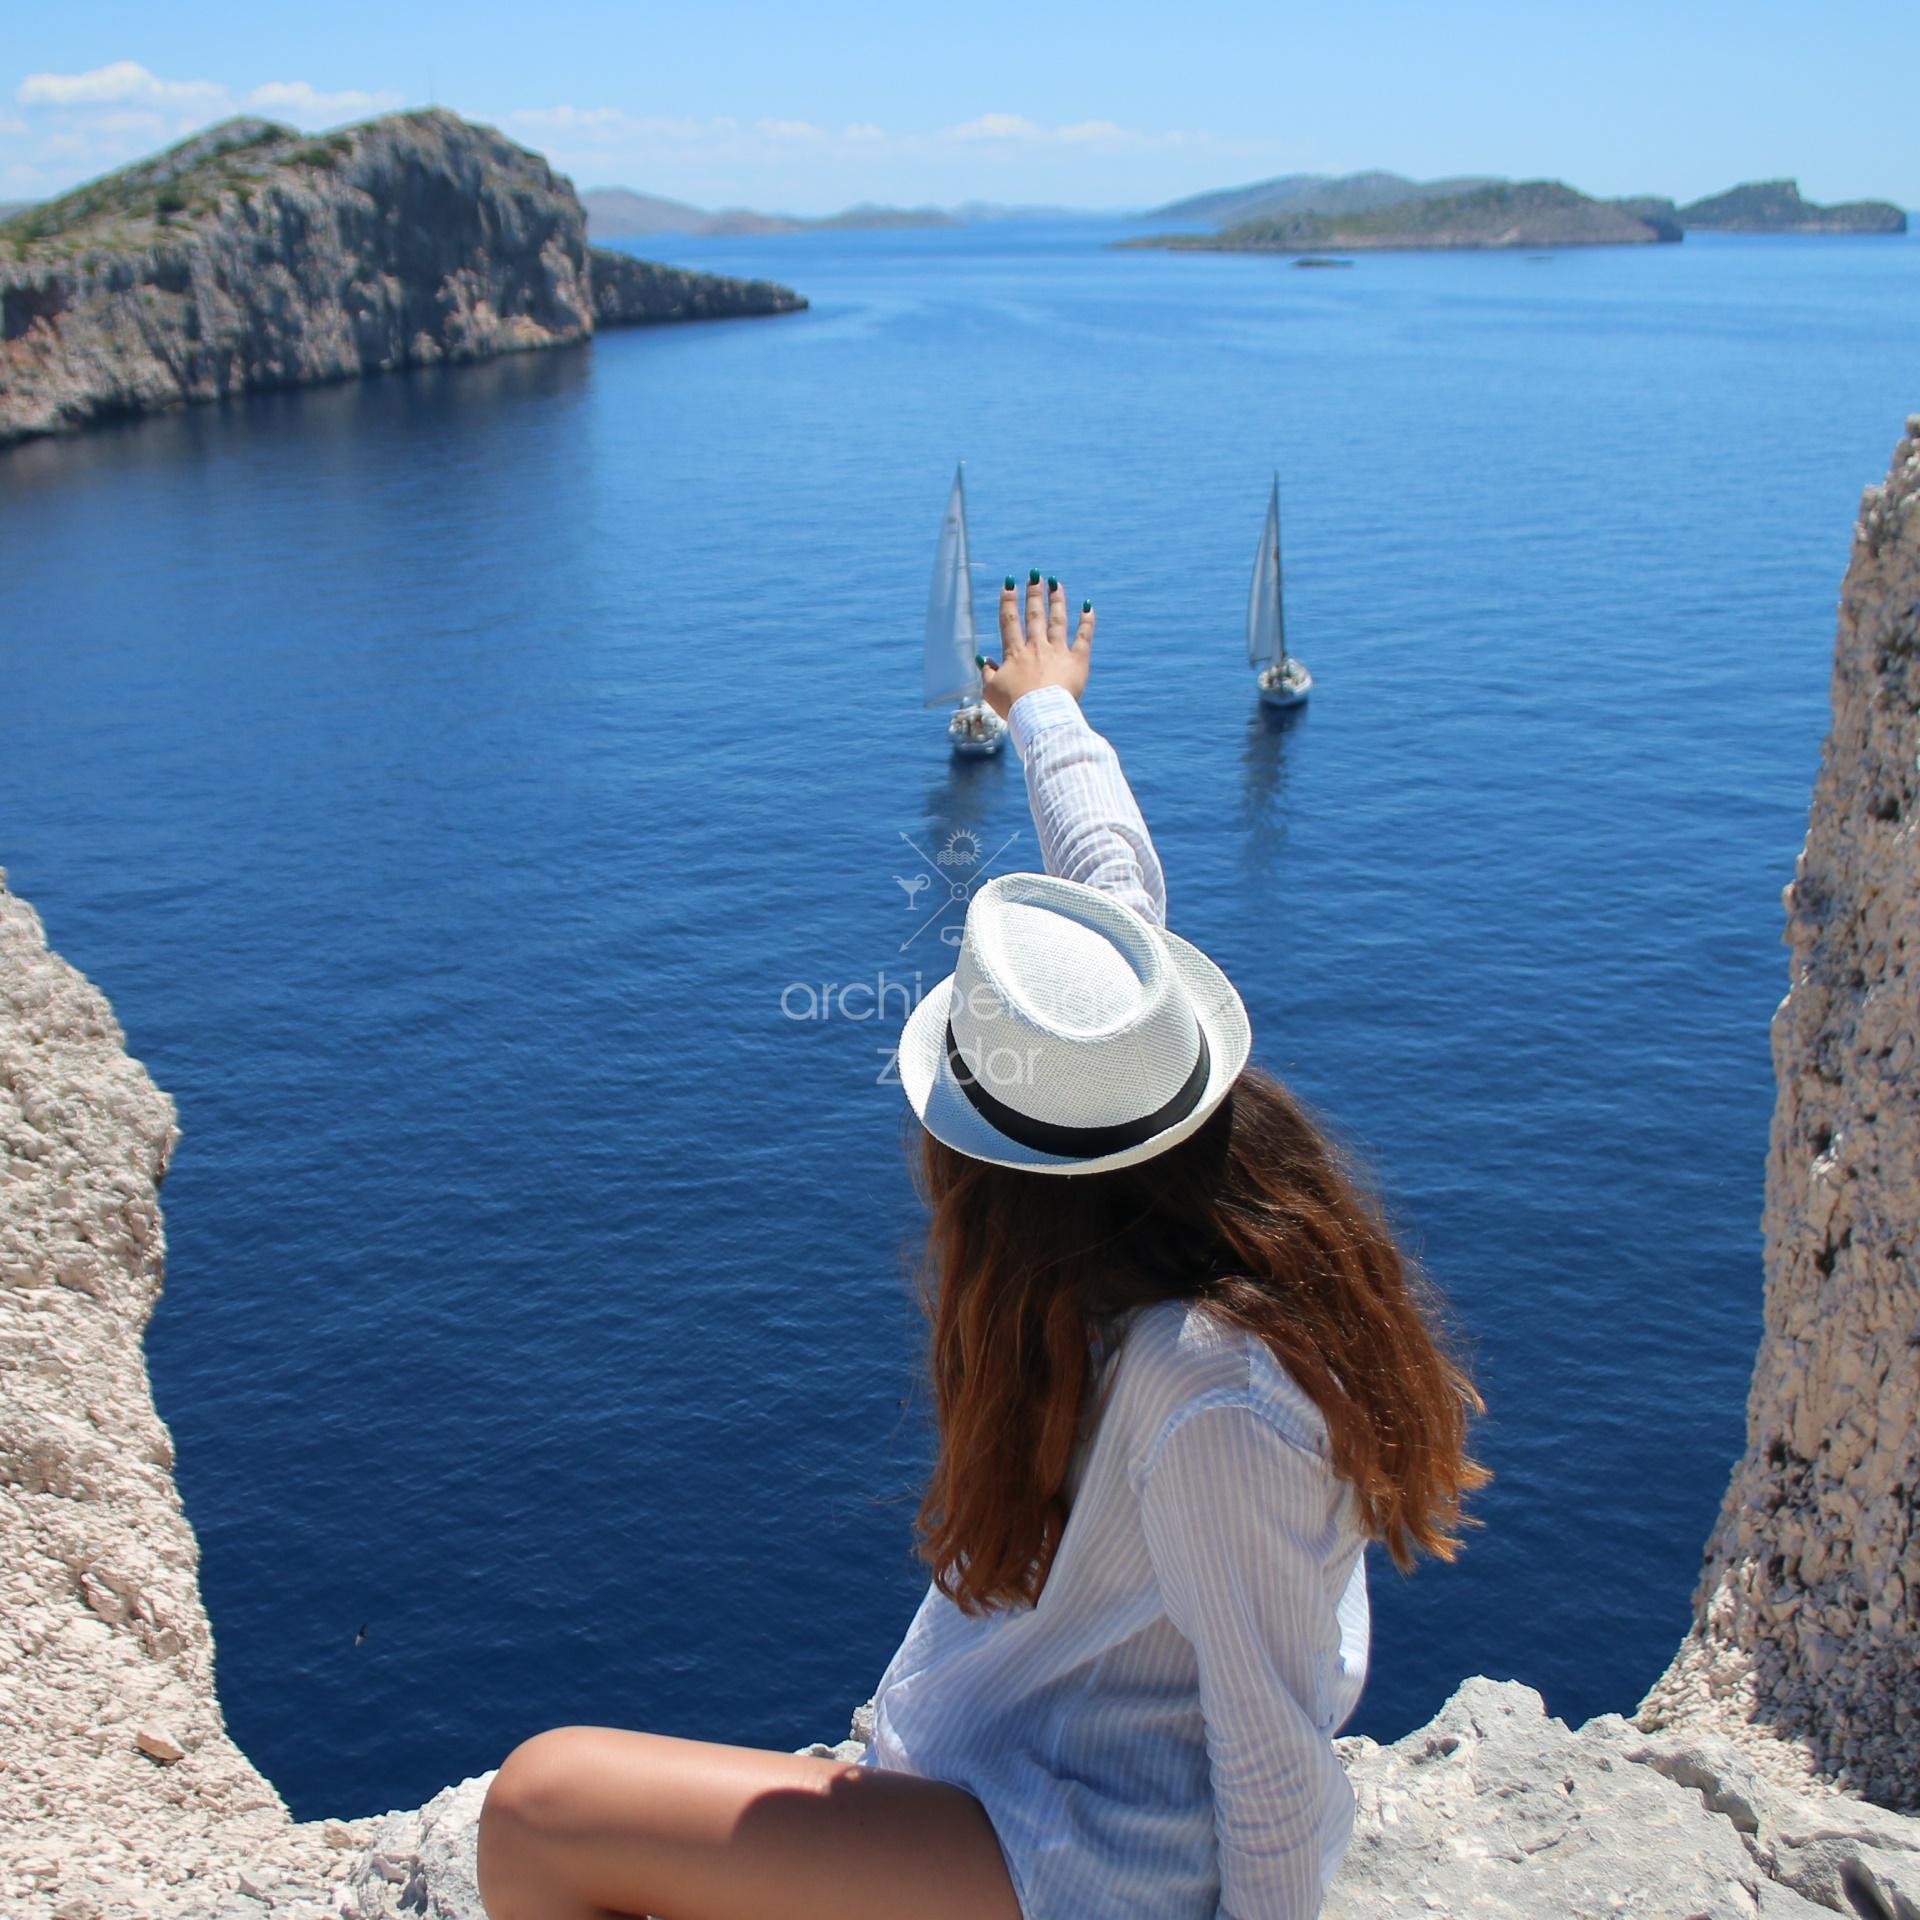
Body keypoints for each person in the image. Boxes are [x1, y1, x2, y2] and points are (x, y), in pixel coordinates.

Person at [474, 575, 1490, 1920]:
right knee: (559, 1806)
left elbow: (1274, 1755)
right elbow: (1113, 882)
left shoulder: (1210, 1392)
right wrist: (1048, 709)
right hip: (1020, 1789)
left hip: (1091, 1862)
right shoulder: (1163, 1159)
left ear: (996, 1181)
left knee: (543, 1808)